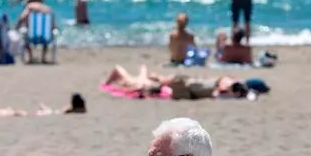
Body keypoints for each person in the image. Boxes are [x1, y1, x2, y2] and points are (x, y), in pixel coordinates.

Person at [103, 65, 243, 100]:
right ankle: (110, 81)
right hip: (182, 83)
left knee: (136, 79)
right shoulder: (221, 85)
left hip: (182, 84)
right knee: (136, 79)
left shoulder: (220, 86)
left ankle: (146, 72)